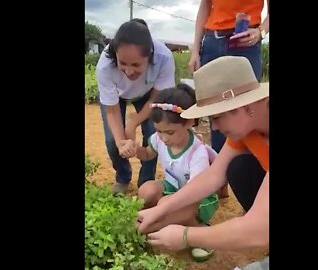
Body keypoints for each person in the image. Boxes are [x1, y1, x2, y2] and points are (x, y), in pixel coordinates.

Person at [136, 56, 269, 262]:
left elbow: (259, 230)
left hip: (260, 229)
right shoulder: (248, 127)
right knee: (238, 167)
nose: (214, 128)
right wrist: (160, 210)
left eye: (216, 117)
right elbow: (213, 175)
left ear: (247, 106)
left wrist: (186, 236)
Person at [121, 84, 219, 260]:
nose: (164, 138)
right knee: (146, 190)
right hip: (173, 187)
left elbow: (196, 192)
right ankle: (158, 222)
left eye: (170, 132)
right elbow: (147, 155)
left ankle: (201, 232)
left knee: (165, 203)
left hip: (199, 199)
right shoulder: (159, 139)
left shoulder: (197, 153)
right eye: (159, 131)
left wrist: (166, 206)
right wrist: (135, 149)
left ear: (189, 122)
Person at [188, 0, 270, 197]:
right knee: (220, 117)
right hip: (212, 39)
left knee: (243, 117)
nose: (213, 126)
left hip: (245, 38)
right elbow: (205, 6)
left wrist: (261, 31)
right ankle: (224, 184)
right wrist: (195, 49)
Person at [97, 18, 176, 193]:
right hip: (118, 96)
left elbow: (157, 99)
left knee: (152, 135)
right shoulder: (104, 66)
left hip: (149, 95)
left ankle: (145, 183)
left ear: (149, 56)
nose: (129, 71)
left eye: (136, 64)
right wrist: (121, 143)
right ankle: (123, 177)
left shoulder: (163, 57)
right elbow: (111, 111)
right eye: (122, 63)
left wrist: (134, 122)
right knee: (112, 141)